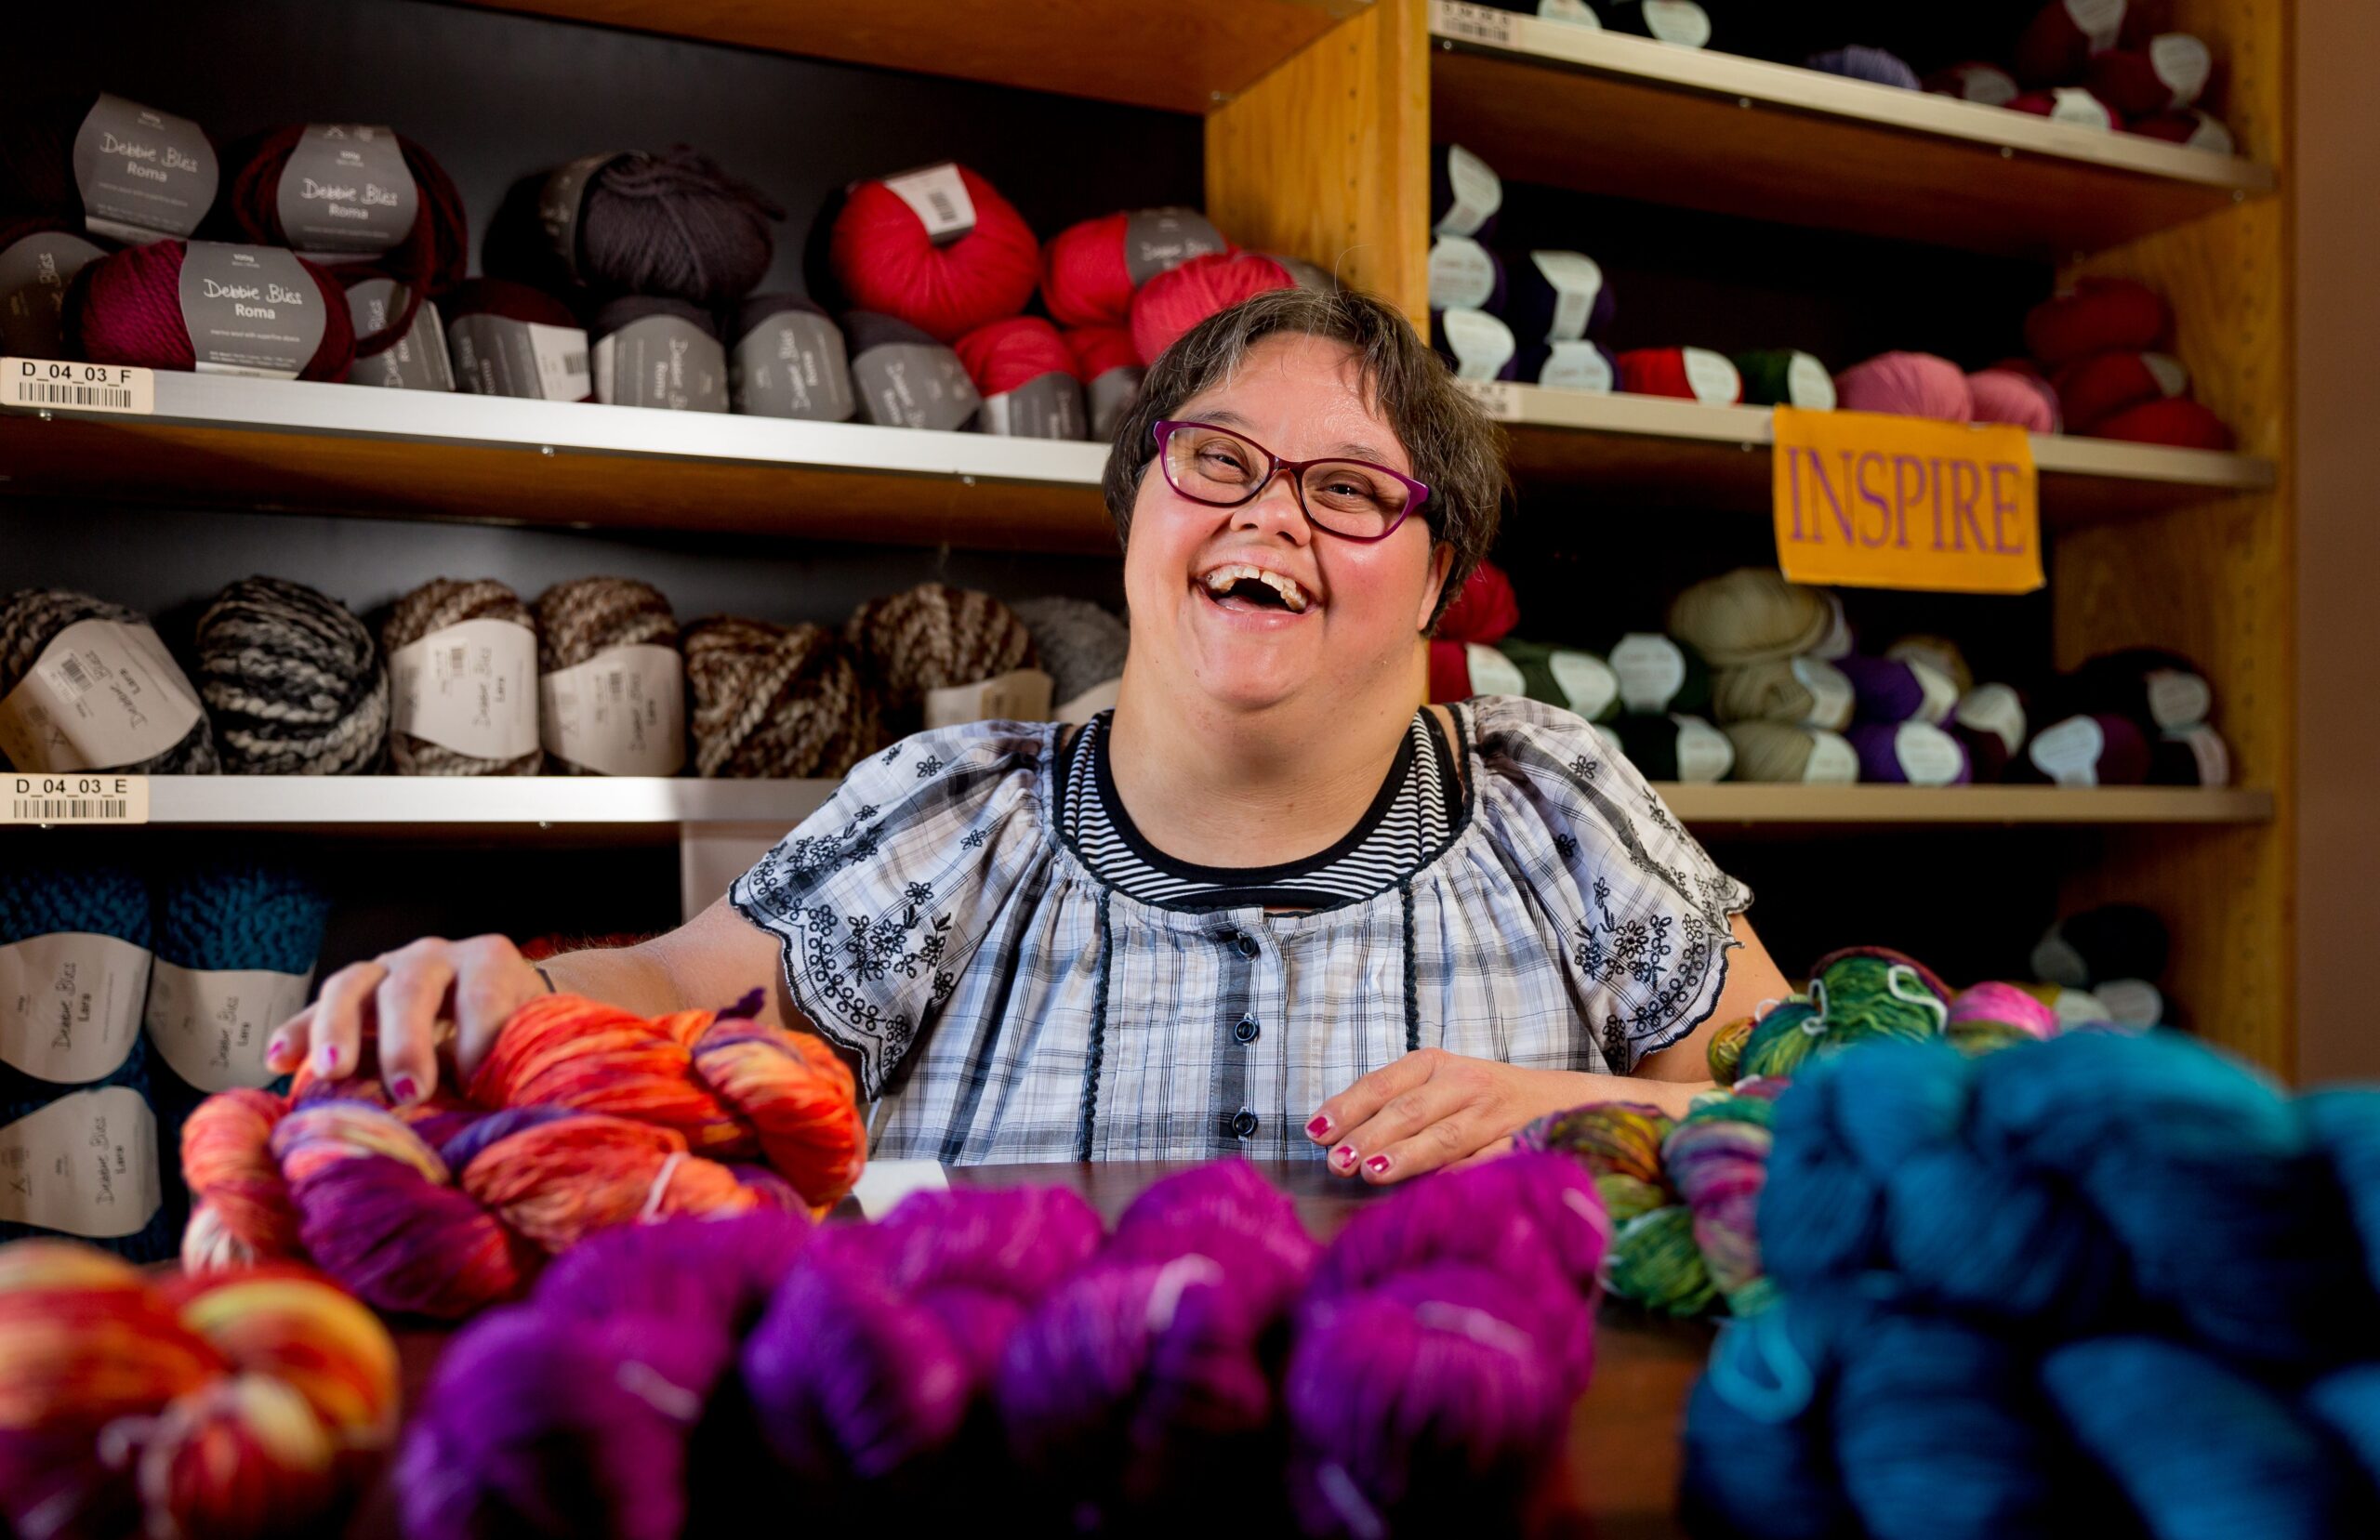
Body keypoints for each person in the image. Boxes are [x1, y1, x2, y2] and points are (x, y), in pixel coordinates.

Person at [266, 286, 1791, 1183]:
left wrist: (1585, 1105)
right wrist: (509, 993)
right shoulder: (953, 813)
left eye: (1349, 488)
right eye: (1220, 459)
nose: (1269, 508)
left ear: (1440, 576)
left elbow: (1811, 1111)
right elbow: (669, 989)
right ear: (1138, 519)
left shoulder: (1553, 802)